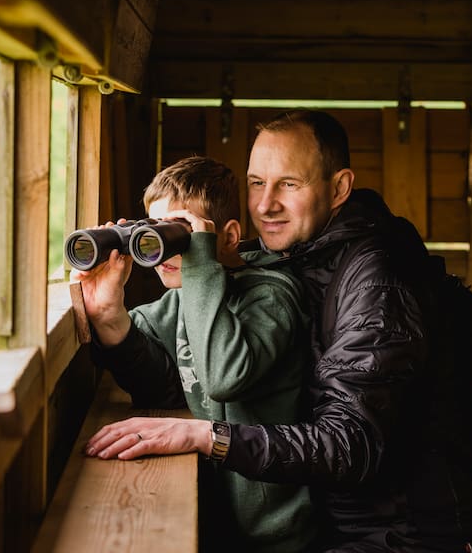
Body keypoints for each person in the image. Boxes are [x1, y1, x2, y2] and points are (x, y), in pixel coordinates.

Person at [86, 111, 472, 552]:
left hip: (399, 535)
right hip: (337, 524)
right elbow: (193, 382)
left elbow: (348, 444)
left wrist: (207, 437)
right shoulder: (297, 256)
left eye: (289, 184)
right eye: (257, 183)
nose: (265, 205)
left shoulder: (379, 282)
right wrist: (109, 316)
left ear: (338, 188)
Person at [76, 156, 317, 552]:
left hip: (271, 537)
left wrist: (201, 264)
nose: (164, 249)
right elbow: (158, 385)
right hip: (214, 518)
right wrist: (108, 315)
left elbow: (224, 378)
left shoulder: (270, 296)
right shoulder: (184, 298)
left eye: (179, 232)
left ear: (226, 236)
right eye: (153, 232)